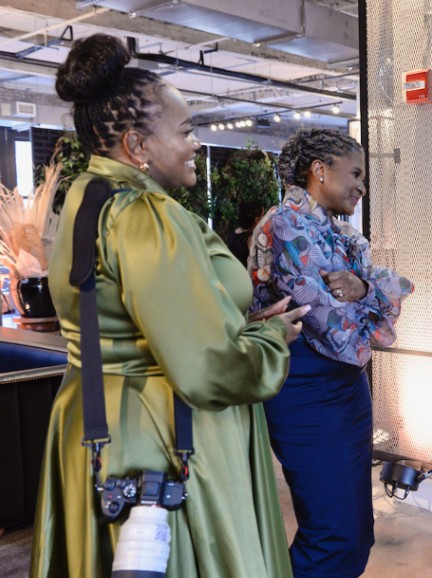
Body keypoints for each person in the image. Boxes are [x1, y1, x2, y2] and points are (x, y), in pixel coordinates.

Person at [32, 33, 308, 578]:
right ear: (137, 146)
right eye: (185, 130)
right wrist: (268, 342)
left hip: (98, 423)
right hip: (161, 435)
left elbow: (129, 318)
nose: (196, 144)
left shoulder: (86, 197)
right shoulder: (144, 214)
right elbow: (206, 371)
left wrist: (228, 320)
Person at [248, 128, 414, 578]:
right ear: (319, 171)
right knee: (332, 534)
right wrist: (371, 292)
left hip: (347, 388)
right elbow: (335, 329)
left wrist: (361, 287)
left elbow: (395, 290)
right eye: (355, 173)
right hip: (305, 388)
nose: (361, 186)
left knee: (357, 529)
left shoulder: (341, 234)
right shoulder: (284, 225)